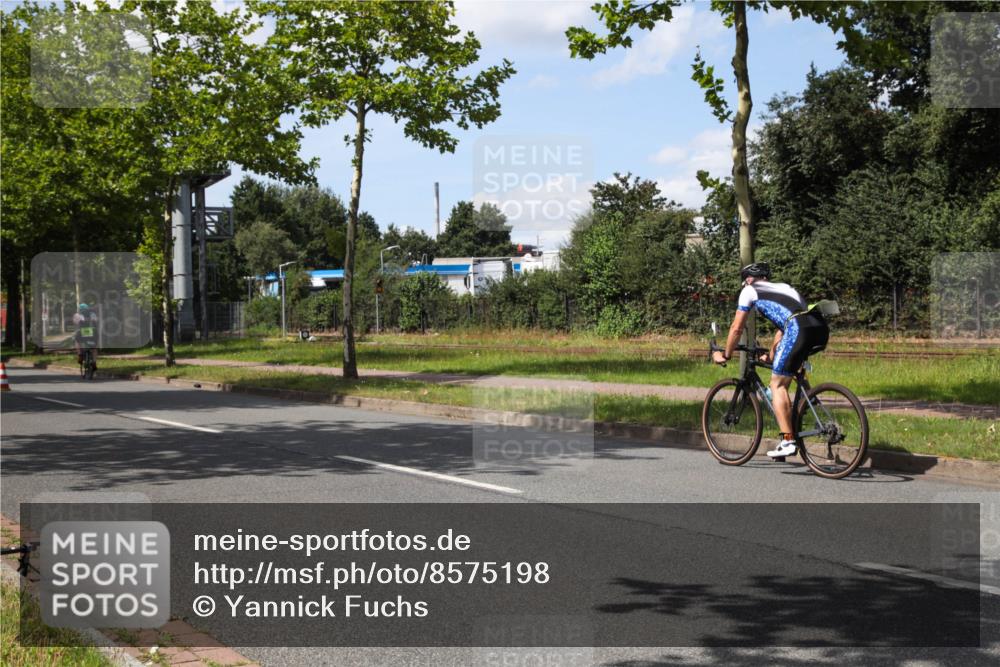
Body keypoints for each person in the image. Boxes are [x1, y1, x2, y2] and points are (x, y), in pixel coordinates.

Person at [712, 262, 829, 458]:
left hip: (797, 329)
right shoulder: (784, 287)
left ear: (748, 279)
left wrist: (725, 354)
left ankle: (787, 440)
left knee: (778, 385)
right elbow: (784, 324)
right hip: (818, 327)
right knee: (787, 371)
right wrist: (772, 355)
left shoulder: (749, 290)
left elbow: (736, 328)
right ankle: (809, 404)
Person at [73, 303, 99, 370]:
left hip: (82, 331)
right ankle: (94, 362)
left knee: (77, 341)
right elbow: (96, 321)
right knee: (95, 347)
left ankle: (80, 355)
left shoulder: (77, 314)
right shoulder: (92, 314)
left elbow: (76, 323)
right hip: (92, 331)